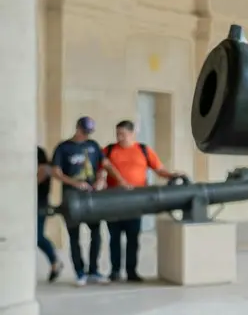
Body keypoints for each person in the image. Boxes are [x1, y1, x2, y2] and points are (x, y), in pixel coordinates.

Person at [98, 119, 184, 282]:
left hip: (136, 201)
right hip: (114, 201)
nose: (119, 137)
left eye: (122, 134)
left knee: (133, 237)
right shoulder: (109, 150)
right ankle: (115, 271)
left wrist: (171, 175)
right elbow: (100, 170)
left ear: (132, 133)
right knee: (114, 238)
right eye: (117, 134)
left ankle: (131, 271)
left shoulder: (143, 150)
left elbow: (159, 169)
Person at [51, 116, 127, 286]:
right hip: (72, 197)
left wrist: (102, 178)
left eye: (89, 133)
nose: (86, 135)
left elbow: (104, 165)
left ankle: (93, 270)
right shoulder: (64, 148)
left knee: (96, 234)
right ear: (77, 128)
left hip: (91, 196)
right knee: (74, 237)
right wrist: (74, 182)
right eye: (84, 132)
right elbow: (56, 172)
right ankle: (80, 272)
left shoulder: (93, 146)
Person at [36, 146, 63, 282]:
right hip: (33, 205)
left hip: (39, 205)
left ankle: (54, 261)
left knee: (37, 236)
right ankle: (54, 262)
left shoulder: (44, 169)